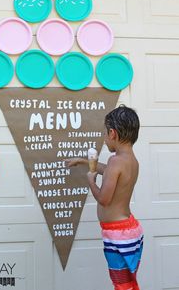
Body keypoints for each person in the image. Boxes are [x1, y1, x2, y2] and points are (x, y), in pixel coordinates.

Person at [66, 105, 143, 290]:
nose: (104, 138)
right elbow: (109, 172)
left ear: (112, 133)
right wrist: (86, 162)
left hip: (118, 235)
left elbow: (104, 199)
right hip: (129, 231)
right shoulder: (131, 161)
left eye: (105, 134)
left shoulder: (115, 161)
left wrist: (90, 180)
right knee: (128, 282)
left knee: (122, 285)